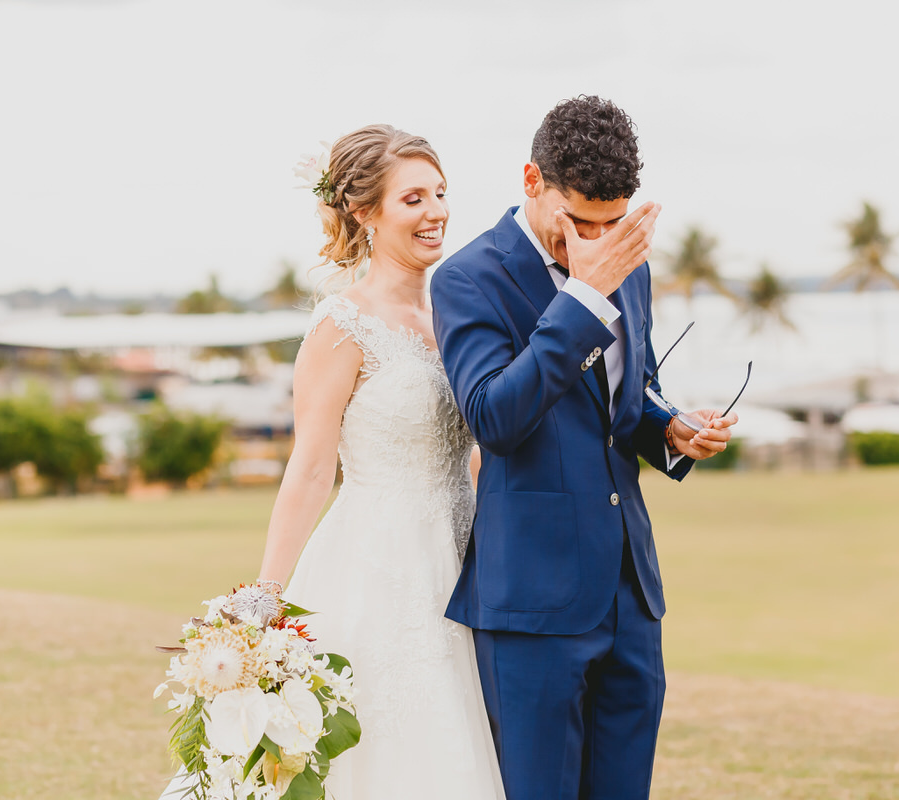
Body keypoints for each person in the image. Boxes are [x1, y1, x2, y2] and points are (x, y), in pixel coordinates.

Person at [430, 96, 738, 800]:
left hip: (630, 594)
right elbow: (494, 419)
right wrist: (583, 298)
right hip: (533, 604)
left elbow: (628, 398)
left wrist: (670, 427)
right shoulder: (467, 278)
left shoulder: (630, 265)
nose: (597, 244)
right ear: (533, 181)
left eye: (613, 224)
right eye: (579, 223)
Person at [247, 125, 504, 798]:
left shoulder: (459, 312)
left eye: (441, 193)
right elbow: (309, 468)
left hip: (468, 558)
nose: (436, 212)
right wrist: (265, 602)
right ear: (364, 211)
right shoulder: (342, 326)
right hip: (379, 567)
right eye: (413, 198)